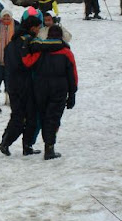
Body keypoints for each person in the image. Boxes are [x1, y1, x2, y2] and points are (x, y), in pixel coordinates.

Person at [22, 25, 78, 159]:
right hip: (59, 88)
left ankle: (41, 145)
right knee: (53, 118)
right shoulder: (66, 52)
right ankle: (49, 148)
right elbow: (73, 75)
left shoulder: (40, 50)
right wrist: (72, 94)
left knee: (43, 117)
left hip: (40, 88)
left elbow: (28, 63)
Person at [0, 7, 43, 157]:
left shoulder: (13, 41)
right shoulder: (28, 41)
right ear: (32, 28)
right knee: (29, 116)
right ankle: (25, 145)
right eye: (38, 27)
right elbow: (29, 63)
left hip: (12, 83)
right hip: (24, 84)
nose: (39, 30)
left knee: (17, 115)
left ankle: (7, 142)